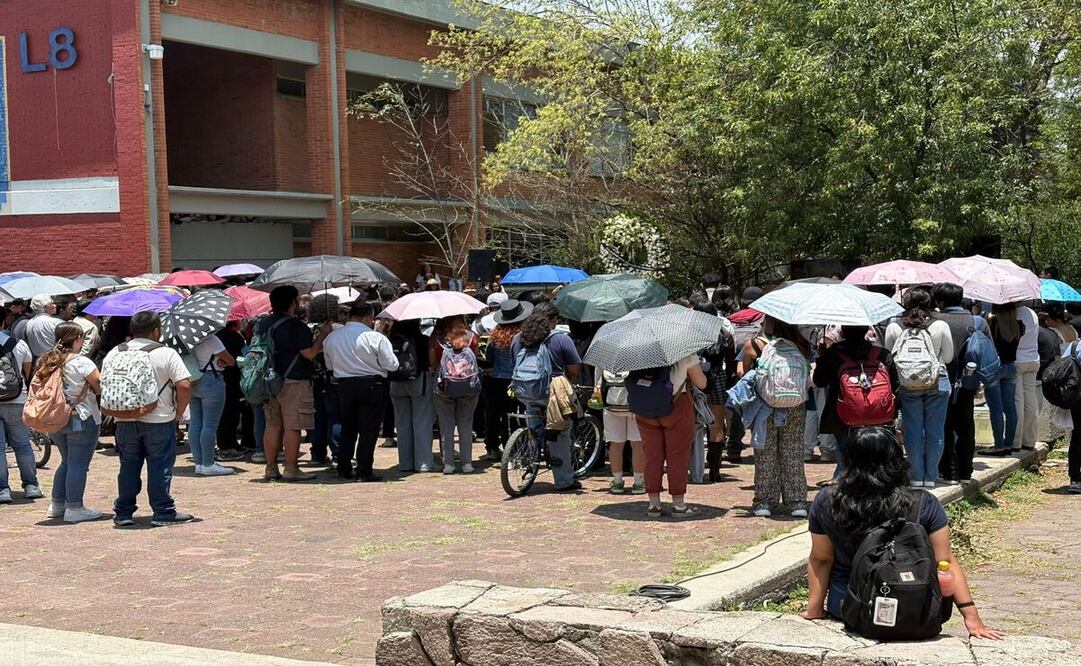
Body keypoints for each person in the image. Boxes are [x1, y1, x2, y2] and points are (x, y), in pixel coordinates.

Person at [802, 427, 1004, 640]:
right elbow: (944, 562)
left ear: (848, 460)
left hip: (848, 604)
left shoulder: (827, 501)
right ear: (897, 459)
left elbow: (822, 559)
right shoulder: (923, 502)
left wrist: (814, 610)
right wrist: (972, 617)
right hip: (913, 603)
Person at [106, 312, 194, 527]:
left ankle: (124, 512)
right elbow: (184, 385)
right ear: (156, 330)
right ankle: (163, 512)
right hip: (159, 418)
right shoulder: (166, 353)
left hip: (124, 418)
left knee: (128, 466)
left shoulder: (115, 352)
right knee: (159, 467)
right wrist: (179, 412)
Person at [257, 286, 331, 482]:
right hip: (294, 380)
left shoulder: (263, 323)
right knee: (293, 425)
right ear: (292, 303)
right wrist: (323, 335)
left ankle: (271, 468)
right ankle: (291, 468)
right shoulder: (296, 325)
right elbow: (309, 353)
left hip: (268, 380)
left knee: (272, 425)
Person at [884, 287, 953, 487]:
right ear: (930, 303)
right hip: (937, 381)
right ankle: (930, 476)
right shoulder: (940, 325)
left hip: (907, 383)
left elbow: (889, 357)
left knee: (912, 430)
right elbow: (947, 357)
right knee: (935, 430)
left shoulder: (894, 326)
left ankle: (916, 476)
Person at [744, 316, 812, 517]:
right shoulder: (802, 345)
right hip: (795, 405)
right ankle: (796, 501)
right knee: (792, 451)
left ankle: (764, 501)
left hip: (766, 406)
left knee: (765, 451)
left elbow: (743, 373)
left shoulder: (755, 345)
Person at [511, 304, 583, 492]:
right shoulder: (560, 339)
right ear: (552, 320)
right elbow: (574, 369)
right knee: (560, 430)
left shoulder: (519, 338)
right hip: (552, 394)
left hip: (526, 392)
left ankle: (532, 457)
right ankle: (564, 480)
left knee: (534, 425)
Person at [324, 301, 398, 482]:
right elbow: (392, 364)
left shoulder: (332, 337)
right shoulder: (375, 338)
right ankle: (364, 470)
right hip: (372, 384)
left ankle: (344, 468)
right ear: (367, 317)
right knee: (369, 430)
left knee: (348, 427)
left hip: (345, 385)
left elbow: (329, 365)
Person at [812, 325, 898, 479]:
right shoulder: (882, 354)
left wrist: (822, 356)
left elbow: (819, 381)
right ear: (866, 330)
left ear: (842, 332)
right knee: (878, 459)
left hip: (842, 417)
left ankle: (848, 489)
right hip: (878, 415)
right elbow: (895, 385)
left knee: (847, 459)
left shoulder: (833, 354)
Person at [36, 322, 102, 522]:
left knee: (66, 461)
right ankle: (74, 507)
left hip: (55, 418)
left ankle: (57, 504)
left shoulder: (47, 360)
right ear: (77, 339)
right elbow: (99, 386)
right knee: (78, 464)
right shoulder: (82, 362)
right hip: (80, 416)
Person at [633, 352, 708, 518]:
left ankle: (654, 504)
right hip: (676, 405)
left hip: (645, 406)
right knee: (677, 457)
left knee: (652, 456)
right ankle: (678, 504)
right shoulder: (684, 352)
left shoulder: (638, 352)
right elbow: (702, 383)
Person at [933, 282, 992, 485]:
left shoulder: (934, 321)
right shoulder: (977, 321)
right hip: (969, 382)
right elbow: (988, 352)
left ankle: (947, 471)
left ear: (940, 301)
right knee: (966, 426)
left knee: (944, 426)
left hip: (939, 383)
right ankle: (966, 471)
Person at [0, 320, 41, 505]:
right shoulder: (17, 343)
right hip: (17, 399)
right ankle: (31, 485)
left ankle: (3, 489)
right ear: (4, 322)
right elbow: (27, 370)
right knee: (23, 445)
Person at [695, 302, 737, 483]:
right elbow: (731, 364)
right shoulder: (725, 336)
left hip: (693, 378)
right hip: (717, 378)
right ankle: (715, 470)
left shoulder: (689, 335)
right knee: (716, 426)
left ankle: (693, 468)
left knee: (690, 425)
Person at [482, 300, 528, 461]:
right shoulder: (523, 336)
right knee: (515, 414)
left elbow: (489, 357)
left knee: (493, 414)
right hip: (515, 379)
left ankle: (493, 447)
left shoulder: (494, 335)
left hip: (496, 379)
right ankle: (515, 447)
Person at [431, 327, 481, 473]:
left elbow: (433, 362)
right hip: (469, 387)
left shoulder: (437, 339)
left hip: (445, 388)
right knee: (465, 424)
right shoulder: (472, 338)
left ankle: (449, 464)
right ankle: (467, 464)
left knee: (446, 426)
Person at [388, 318, 435, 472]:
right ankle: (423, 463)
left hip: (396, 382)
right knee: (422, 422)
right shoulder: (423, 339)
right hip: (418, 381)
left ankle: (405, 463)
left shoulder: (390, 340)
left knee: (402, 425)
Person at [188, 330, 236, 476]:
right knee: (210, 425)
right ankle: (208, 463)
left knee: (195, 423)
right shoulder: (211, 339)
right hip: (211, 379)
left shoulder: (188, 339)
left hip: (193, 378)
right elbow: (231, 360)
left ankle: (199, 463)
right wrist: (222, 362)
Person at [979, 303, 1022, 457]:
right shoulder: (1019, 326)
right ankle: (1008, 443)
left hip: (995, 367)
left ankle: (998, 445)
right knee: (1010, 407)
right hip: (1011, 366)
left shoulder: (993, 324)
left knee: (996, 408)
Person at [1013, 302, 1041, 452]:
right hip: (1033, 358)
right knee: (1030, 400)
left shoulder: (1013, 313)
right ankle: (1029, 439)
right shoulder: (1032, 313)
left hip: (1018, 359)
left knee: (1018, 401)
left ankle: (1016, 441)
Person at [21, 294, 62, 358]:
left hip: (38, 361)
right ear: (44, 307)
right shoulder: (54, 322)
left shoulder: (29, 323)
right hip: (54, 359)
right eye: (51, 304)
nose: (55, 305)